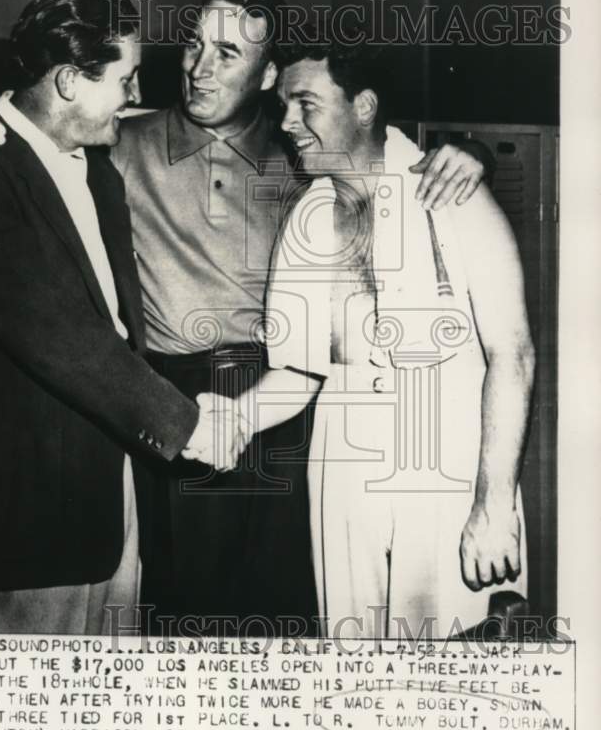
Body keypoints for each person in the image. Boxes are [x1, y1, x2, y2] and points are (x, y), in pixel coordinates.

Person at [0, 0, 488, 636]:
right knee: (174, 616)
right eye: (193, 45)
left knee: (287, 619)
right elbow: (39, 143)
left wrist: (467, 151)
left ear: (268, 74)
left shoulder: (304, 153)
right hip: (165, 401)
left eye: (227, 53)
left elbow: (385, 155)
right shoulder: (117, 145)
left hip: (280, 400)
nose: (196, 67)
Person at [0, 0, 227, 635]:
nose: (134, 97)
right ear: (70, 81)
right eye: (125, 79)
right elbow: (51, 325)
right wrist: (184, 424)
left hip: (112, 505)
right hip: (26, 517)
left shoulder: (99, 167)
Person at [211, 42, 535, 640]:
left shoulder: (453, 194)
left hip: (448, 453)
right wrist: (232, 418)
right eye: (282, 105)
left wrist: (493, 506)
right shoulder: (307, 220)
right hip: (344, 456)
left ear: (363, 106)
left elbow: (511, 356)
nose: (286, 122)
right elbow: (300, 373)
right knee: (351, 646)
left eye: (304, 102)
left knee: (453, 654)